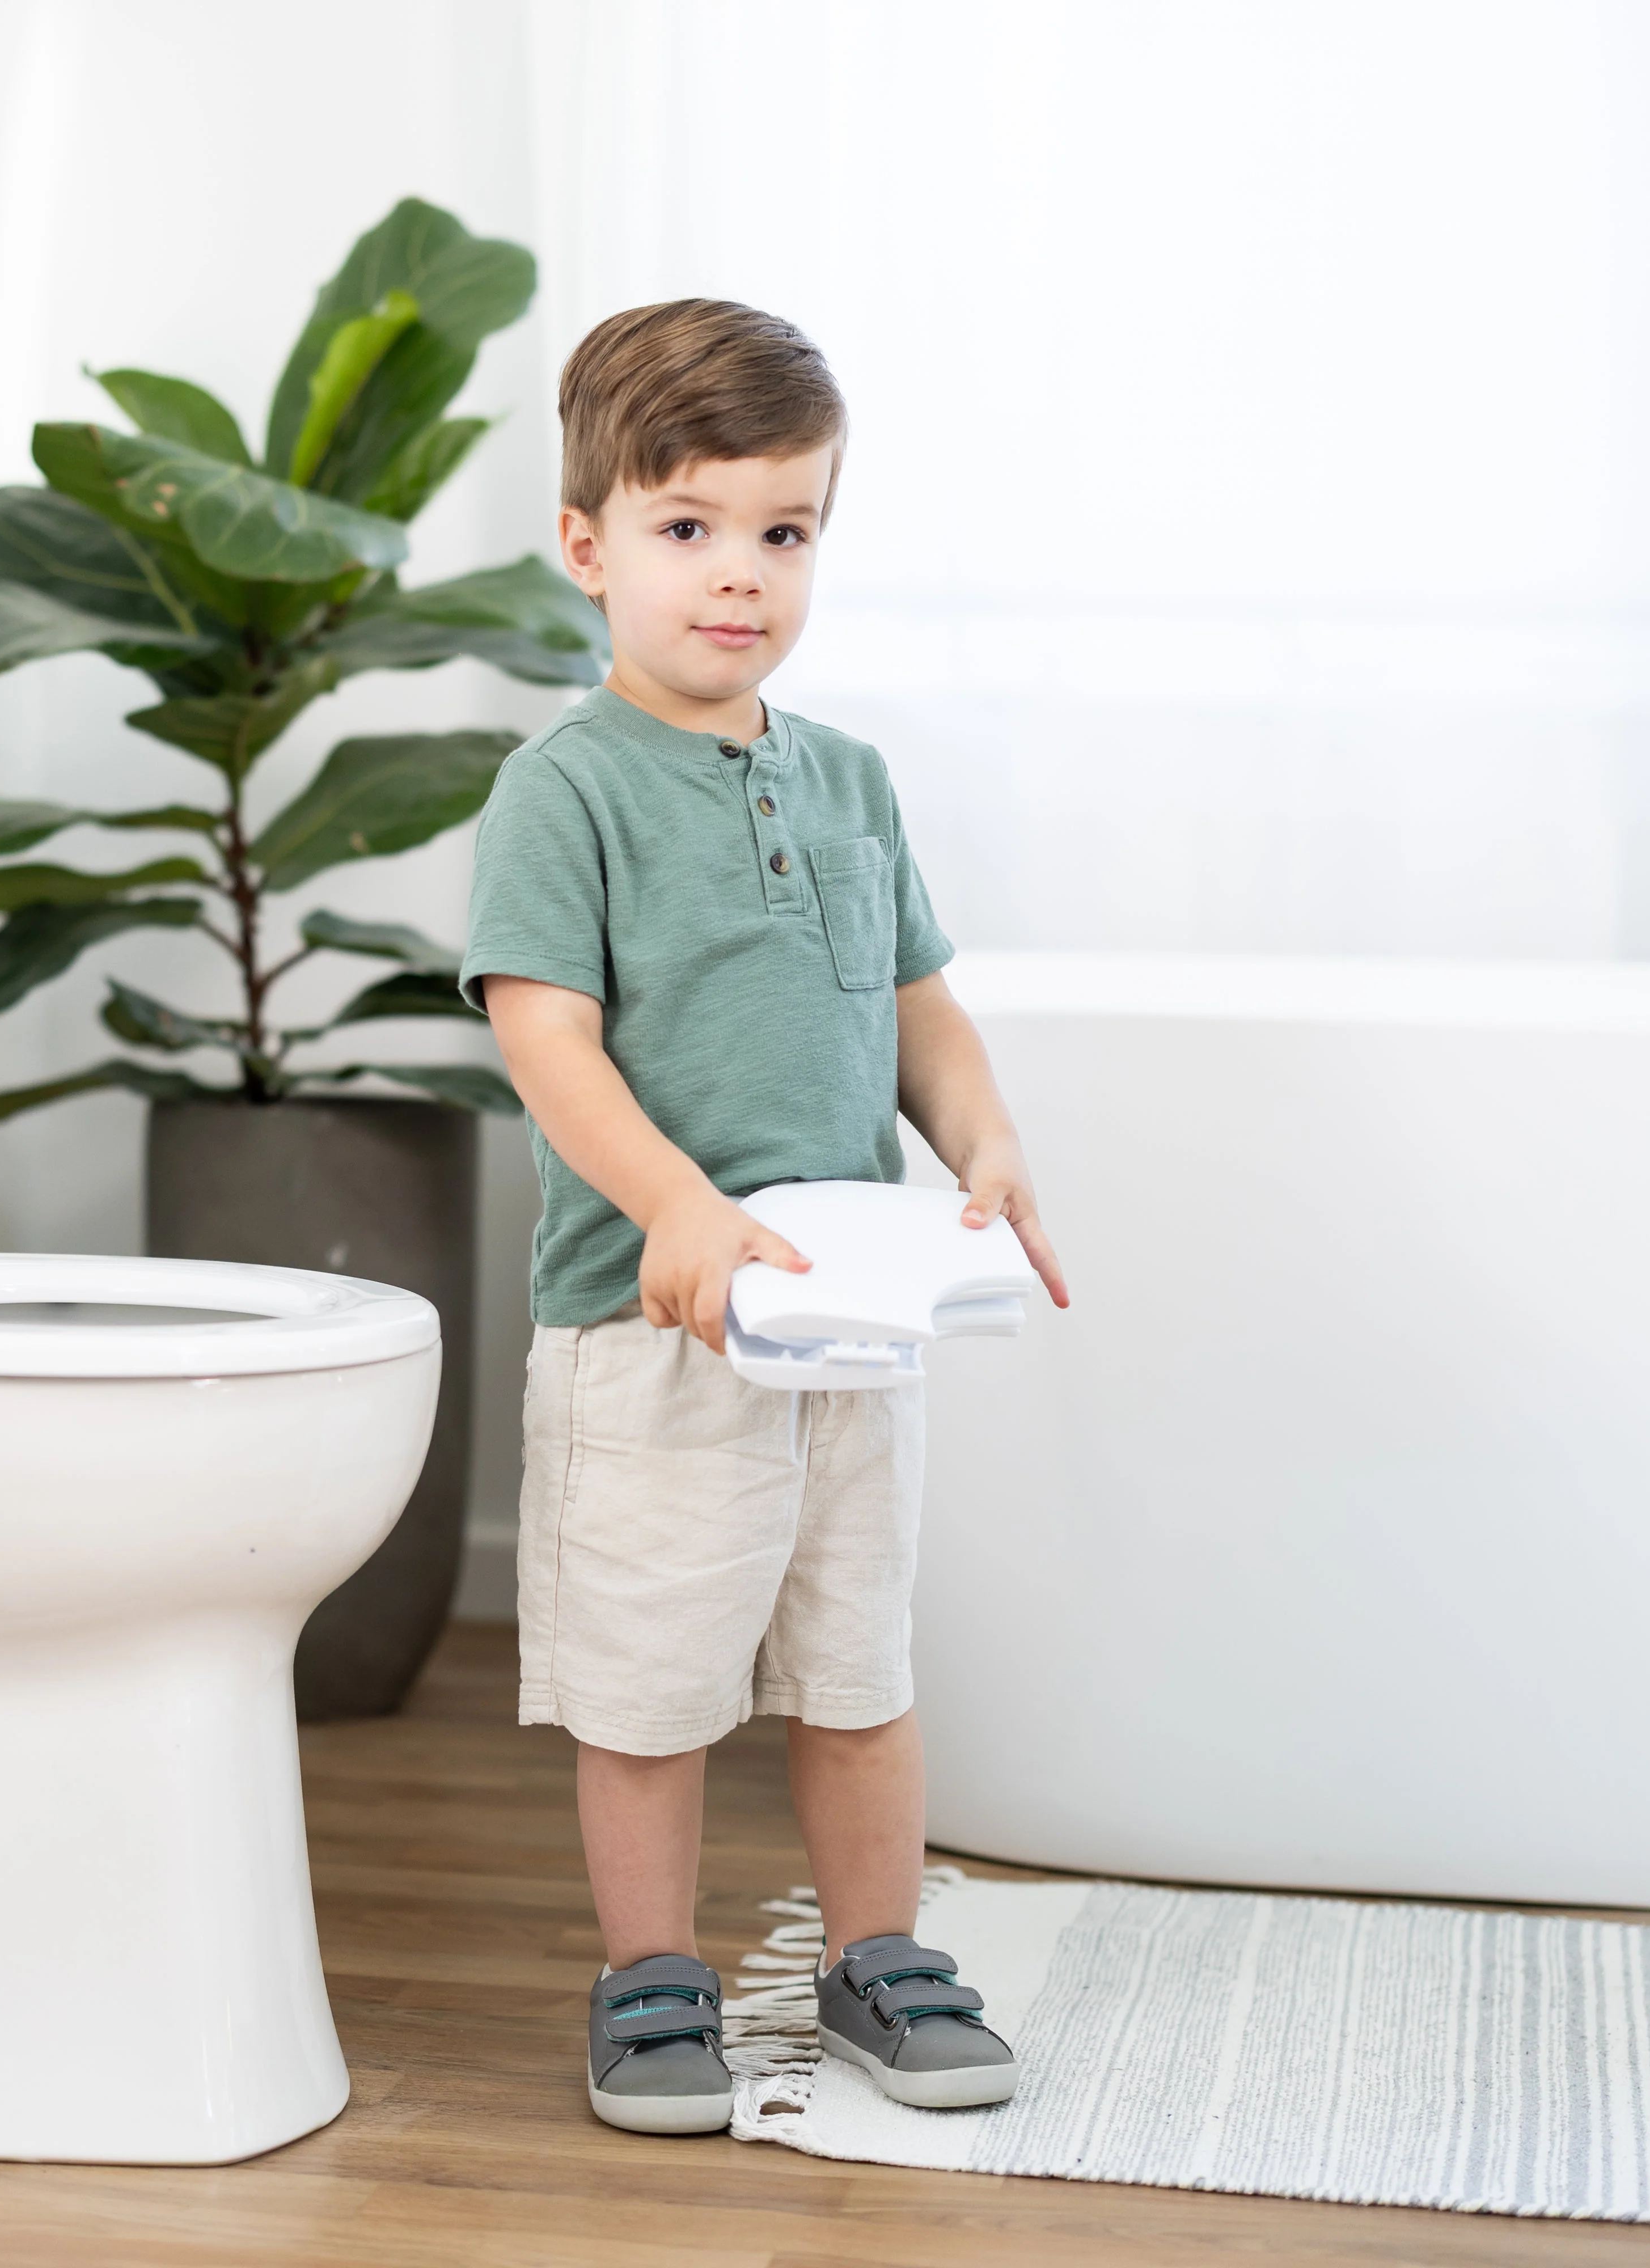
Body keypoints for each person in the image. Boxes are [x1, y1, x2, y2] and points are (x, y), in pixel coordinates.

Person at [462, 298, 1073, 2135]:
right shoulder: (563, 789)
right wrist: (677, 1205)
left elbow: (918, 1009)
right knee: (650, 1691)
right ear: (589, 545)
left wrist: (984, 1142)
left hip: (855, 1322)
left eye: (784, 532)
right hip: (657, 1326)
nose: (741, 577)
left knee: (856, 1668)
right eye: (689, 528)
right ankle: (657, 1985)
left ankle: (877, 1960)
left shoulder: (853, 780)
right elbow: (542, 1036)